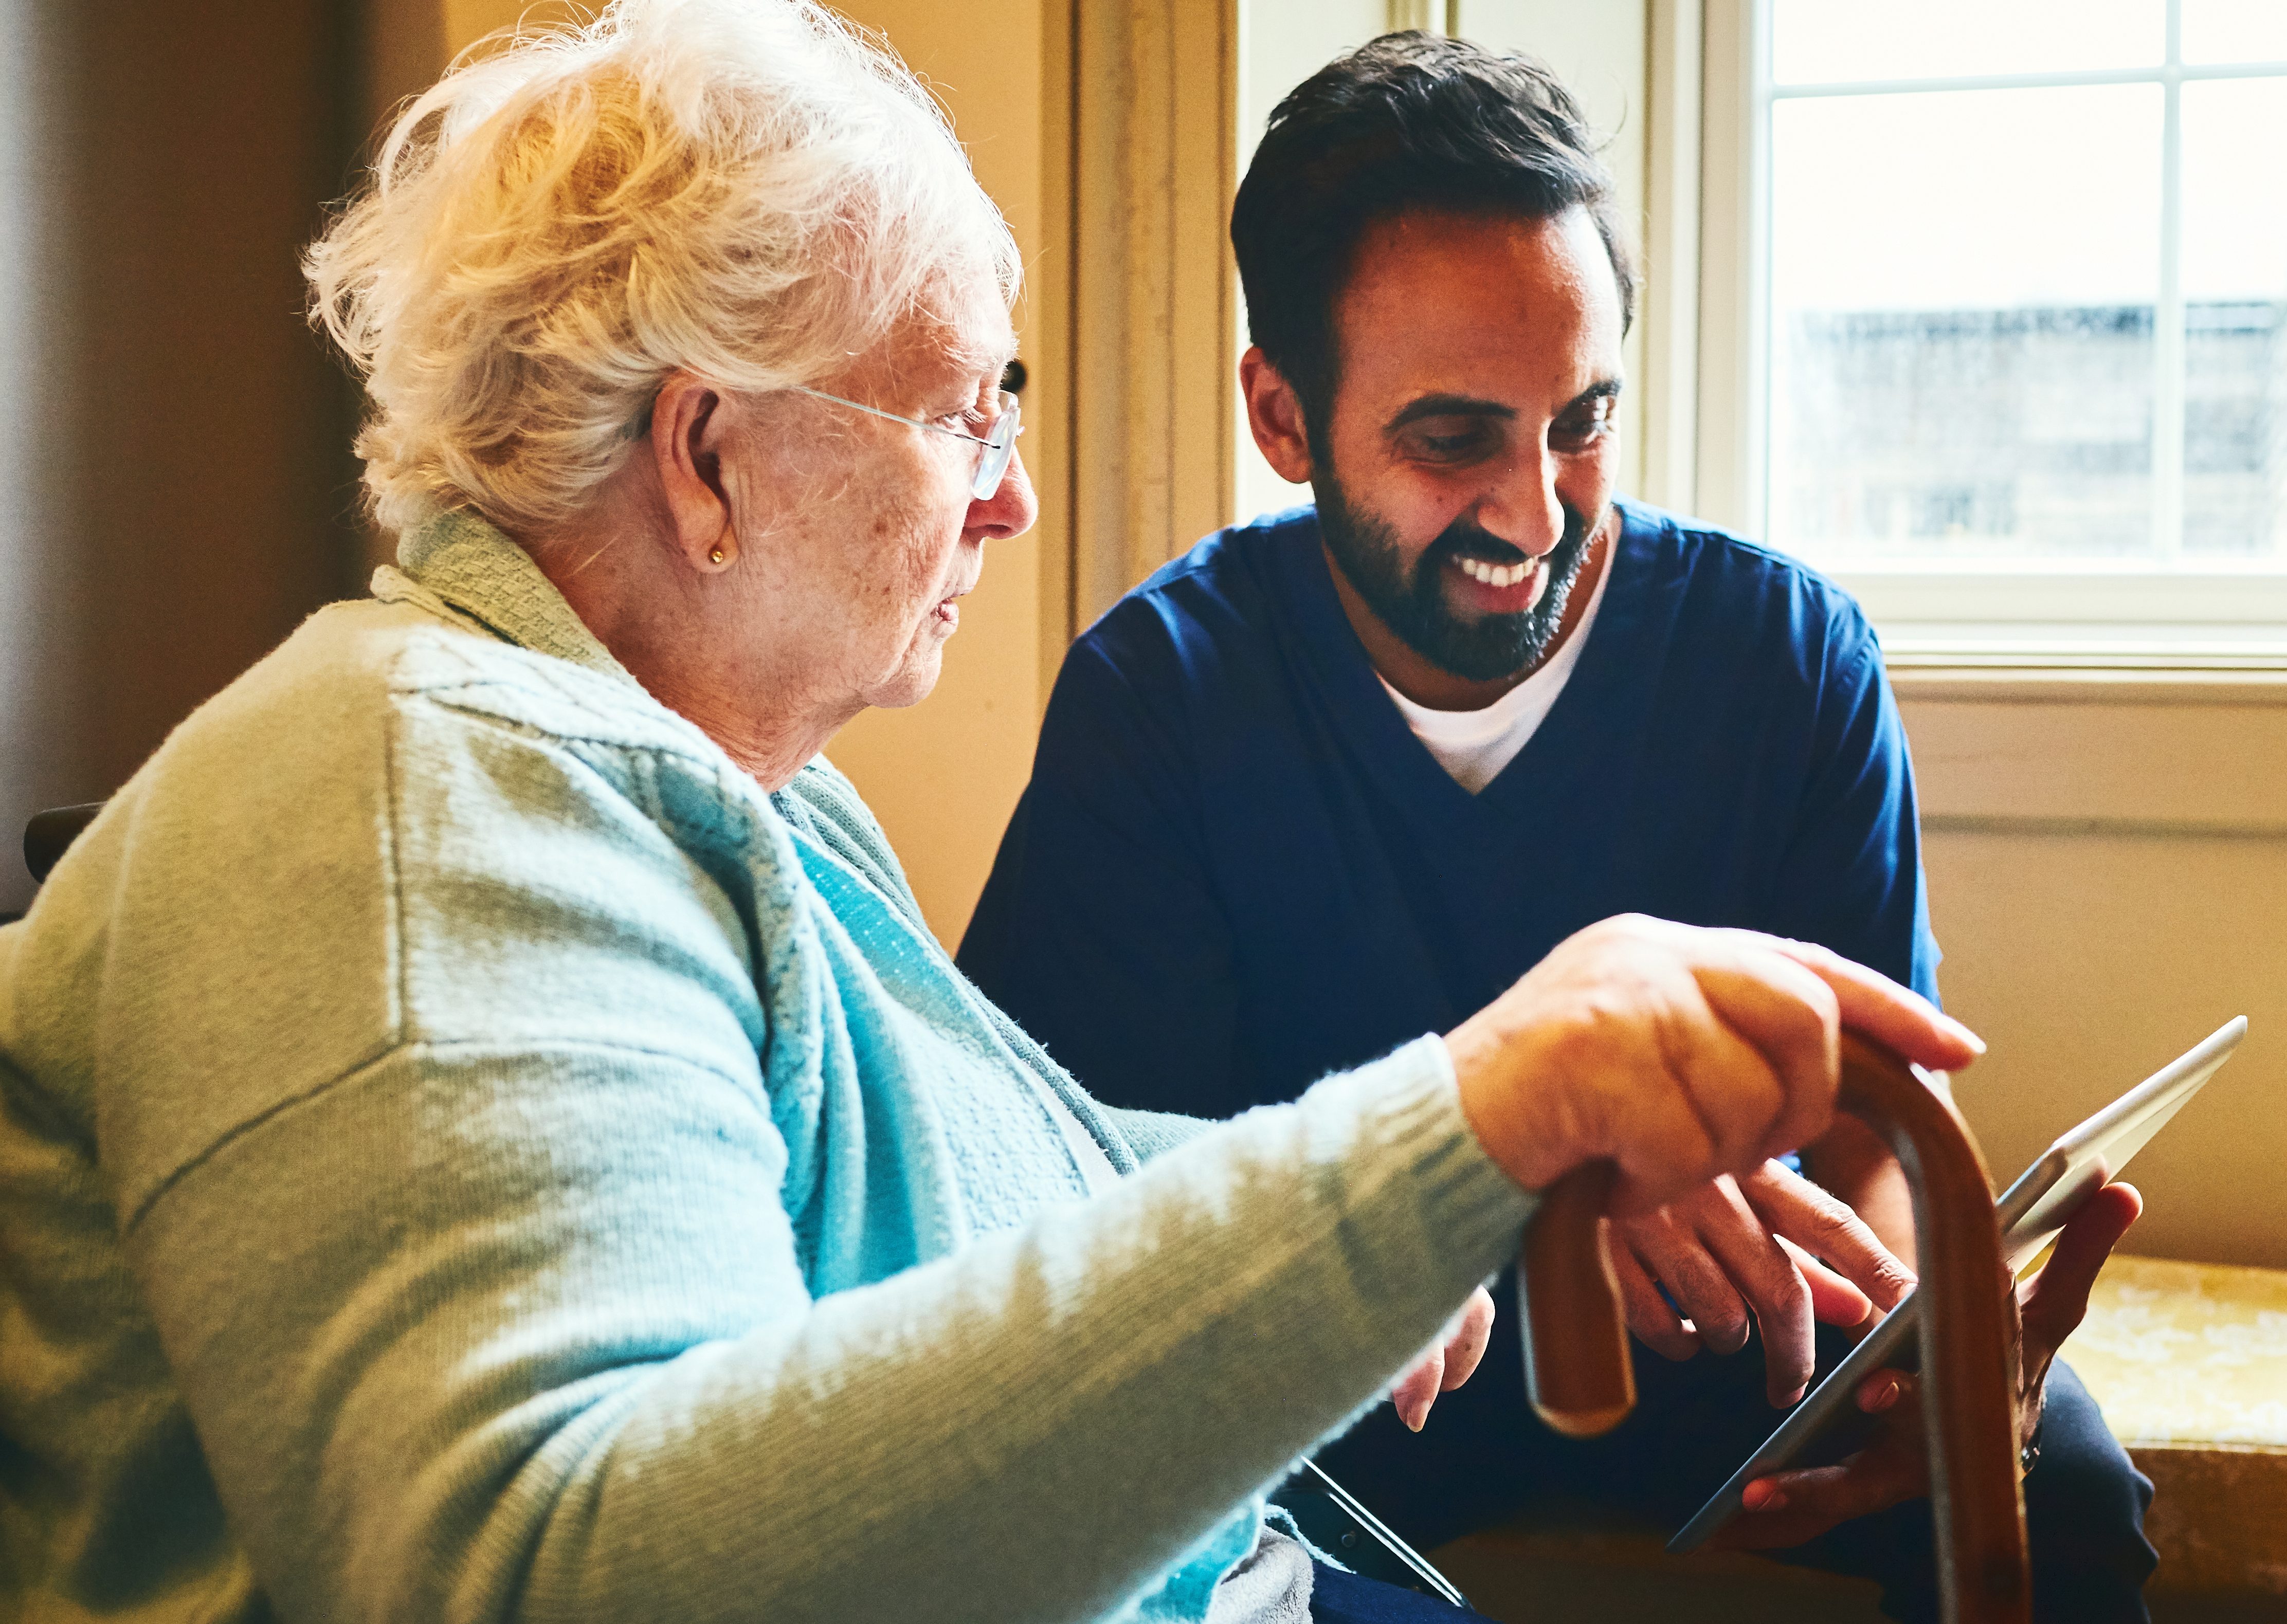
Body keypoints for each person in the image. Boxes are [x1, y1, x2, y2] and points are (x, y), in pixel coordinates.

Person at [0, 5, 2128, 1622]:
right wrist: (1469, 1119)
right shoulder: (414, 799)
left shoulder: (742, 807)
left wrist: (1493, 1181)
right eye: (960, 411)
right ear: (711, 456)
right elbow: (567, 1571)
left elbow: (1012, 1185)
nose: (1012, 496)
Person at [958, 31, 2157, 1621]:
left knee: (2058, 1489)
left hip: (1724, 1351)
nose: (1537, 513)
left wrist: (1914, 1338)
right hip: (1356, 1379)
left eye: (1582, 420)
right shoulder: (1163, 698)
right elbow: (1072, 1191)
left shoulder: (1786, 658)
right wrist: (1534, 1193)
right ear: (1284, 418)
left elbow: (1873, 1130)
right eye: (1454, 438)